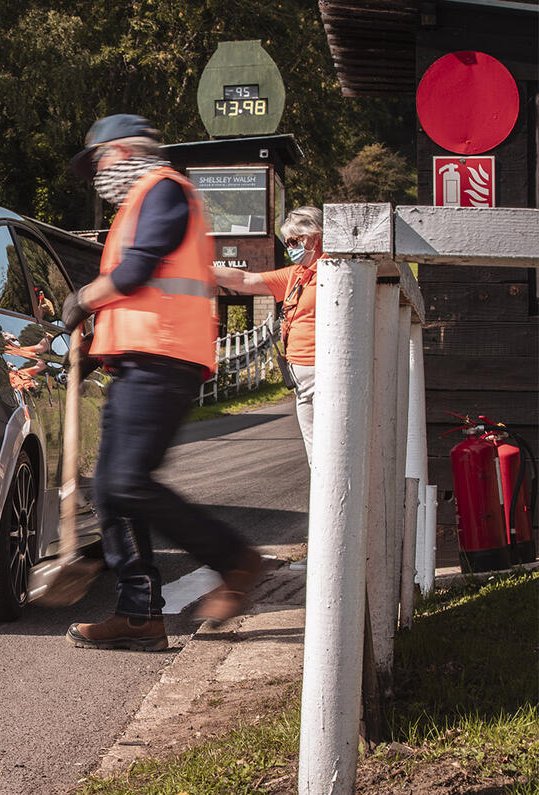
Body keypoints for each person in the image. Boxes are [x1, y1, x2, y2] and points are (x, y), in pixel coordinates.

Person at [61, 114, 263, 651]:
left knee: (128, 482)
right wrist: (88, 347)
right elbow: (133, 296)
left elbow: (137, 273)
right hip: (139, 359)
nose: (99, 174)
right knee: (111, 487)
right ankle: (138, 614)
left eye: (101, 160)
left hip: (165, 357)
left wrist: (82, 300)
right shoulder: (141, 201)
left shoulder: (165, 191)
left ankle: (235, 560)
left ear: (124, 153)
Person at [213, 206, 322, 466]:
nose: (289, 247)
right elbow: (244, 279)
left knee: (332, 453)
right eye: (287, 242)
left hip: (324, 374)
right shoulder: (295, 275)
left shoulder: (332, 270)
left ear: (313, 238)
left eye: (294, 240)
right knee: (315, 458)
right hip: (300, 380)